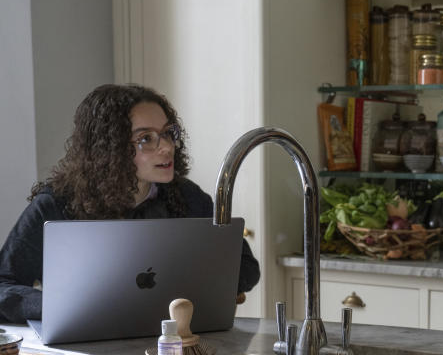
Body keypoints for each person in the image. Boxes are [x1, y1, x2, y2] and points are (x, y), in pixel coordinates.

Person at [0, 84, 260, 323]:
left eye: (168, 133)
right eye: (146, 138)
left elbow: (246, 268)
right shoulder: (56, 205)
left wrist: (186, 288)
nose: (166, 147)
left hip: (169, 343)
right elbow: (3, 285)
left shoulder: (187, 196)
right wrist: (61, 306)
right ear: (109, 148)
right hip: (86, 350)